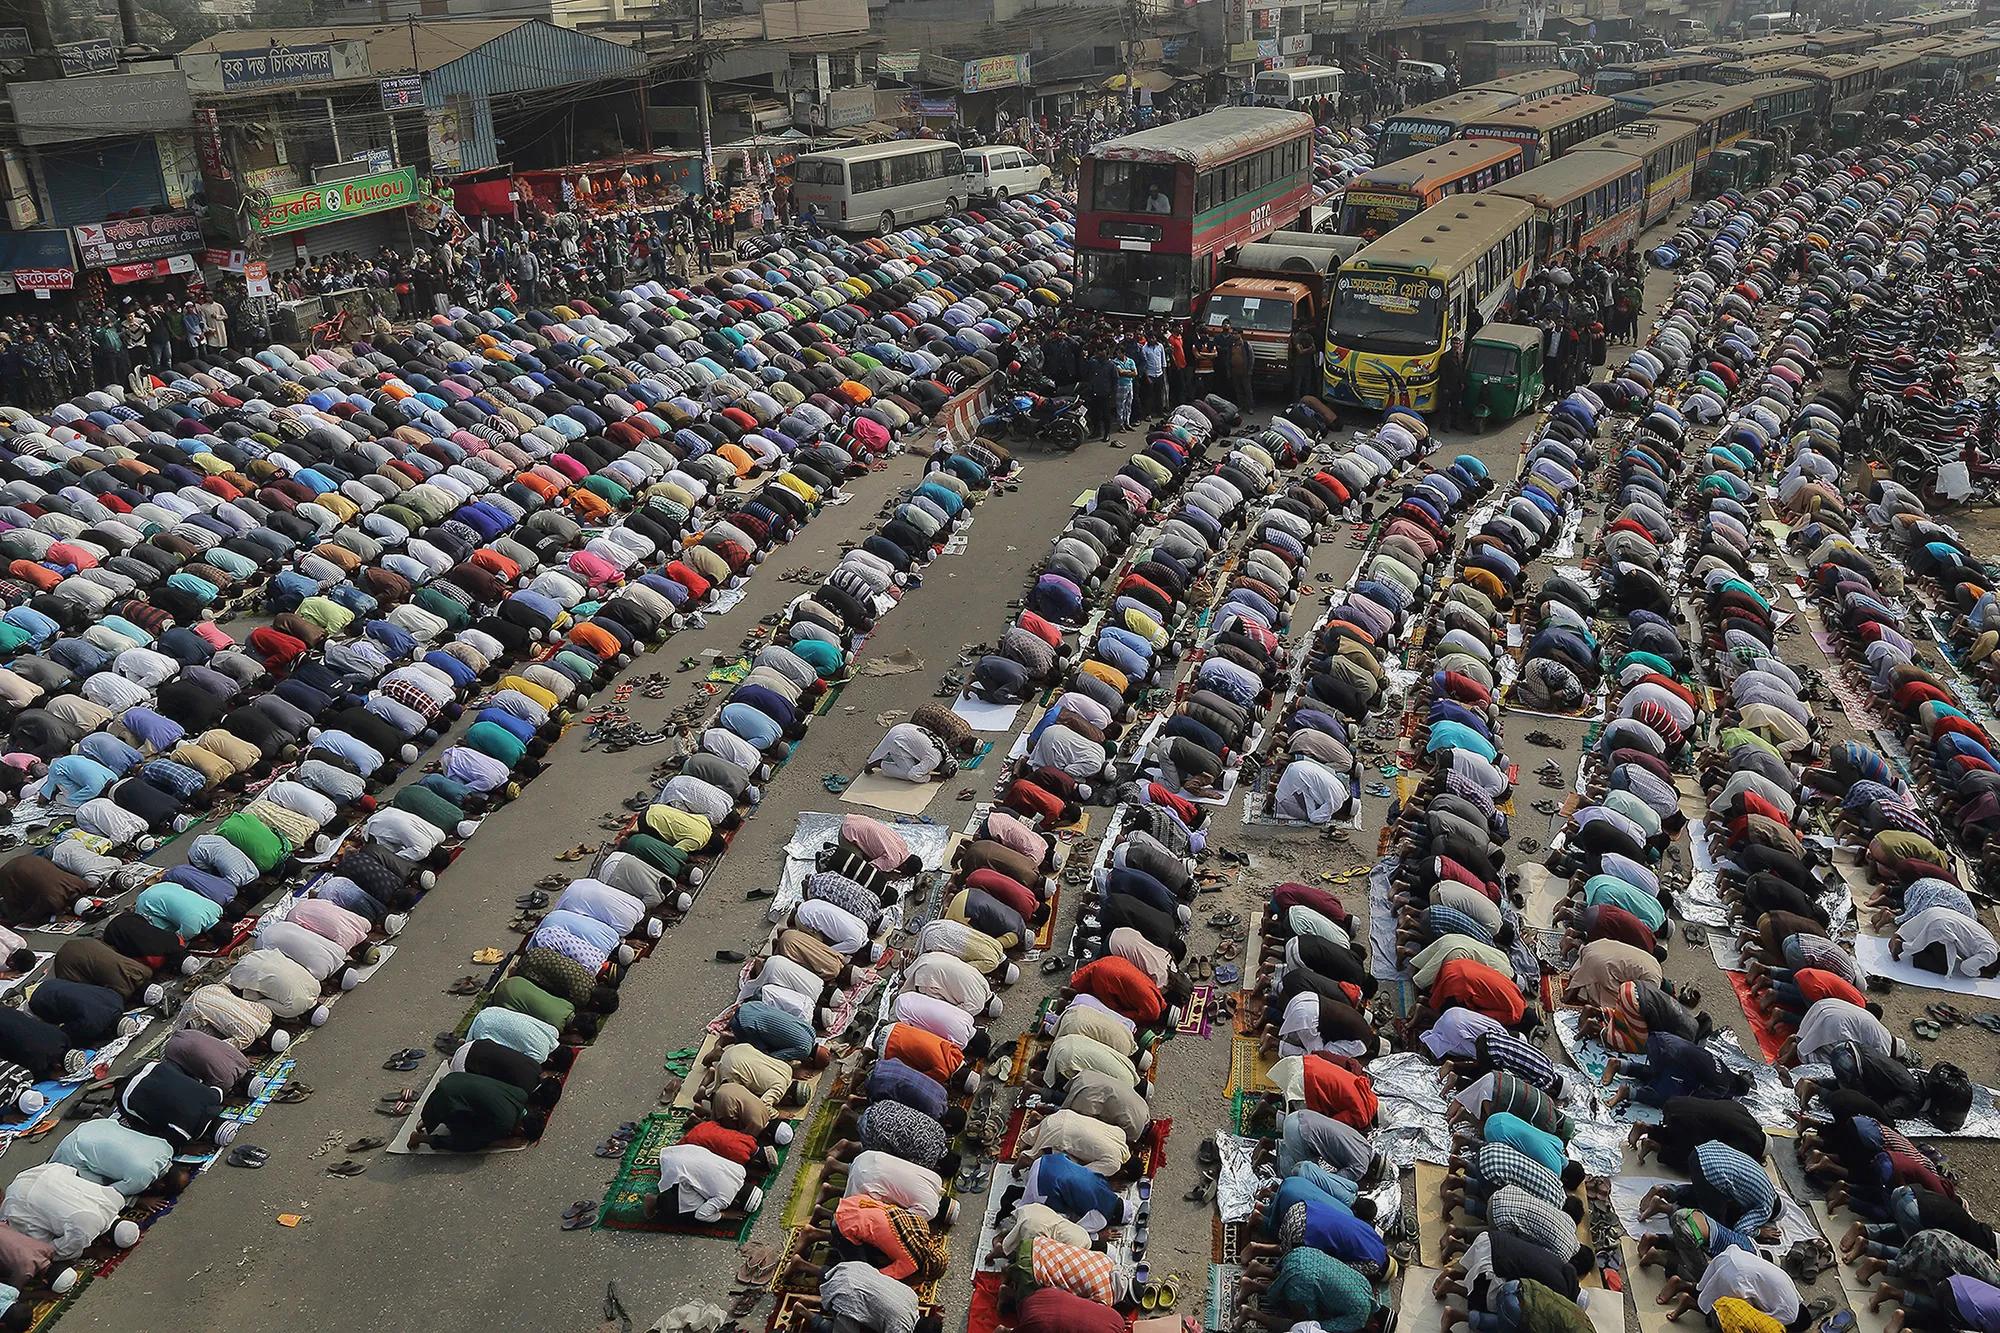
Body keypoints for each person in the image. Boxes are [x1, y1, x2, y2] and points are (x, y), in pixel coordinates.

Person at [1218, 319, 1253, 408]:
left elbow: (1251, 358)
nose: (1234, 335)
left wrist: (1249, 370)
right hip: (1234, 371)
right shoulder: (1231, 345)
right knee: (1238, 390)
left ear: (1240, 334)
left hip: (1244, 371)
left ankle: (1250, 407)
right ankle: (1241, 405)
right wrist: (1229, 370)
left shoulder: (1246, 345)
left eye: (1236, 333)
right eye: (1233, 333)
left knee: (1247, 390)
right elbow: (1228, 358)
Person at [1438, 337, 1466, 432]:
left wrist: (1462, 382)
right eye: (1454, 343)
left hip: (1457, 386)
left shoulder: (1460, 356)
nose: (1455, 345)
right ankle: (1444, 426)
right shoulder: (1445, 357)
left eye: (1457, 343)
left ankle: (1455, 424)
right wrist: (1445, 387)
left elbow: (1461, 370)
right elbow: (1443, 373)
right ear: (1451, 344)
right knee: (1445, 407)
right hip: (1447, 386)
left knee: (1456, 406)